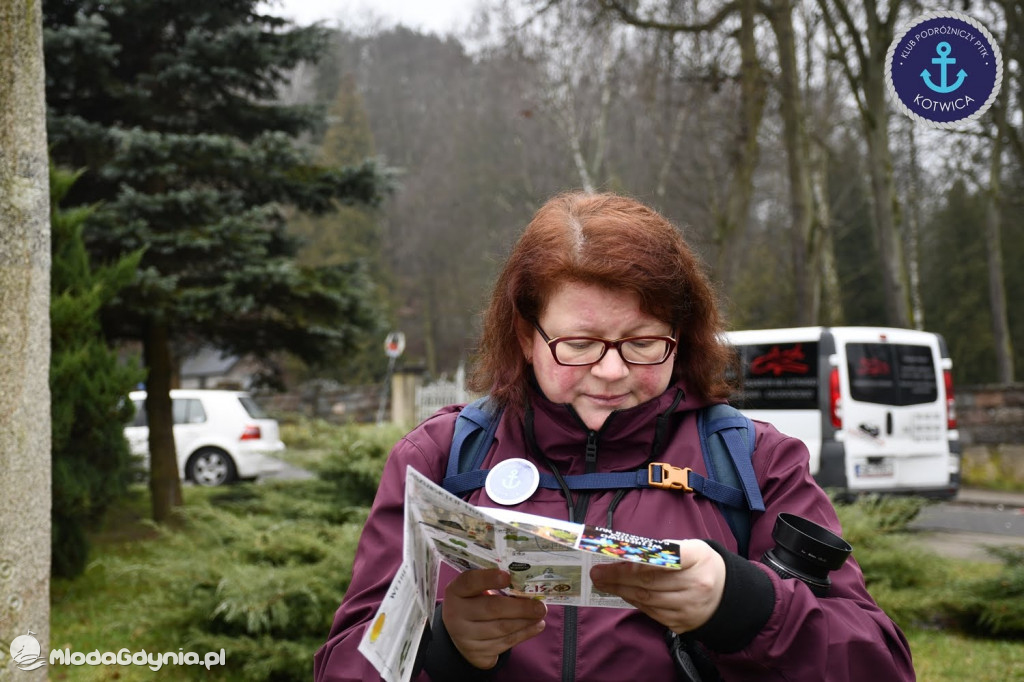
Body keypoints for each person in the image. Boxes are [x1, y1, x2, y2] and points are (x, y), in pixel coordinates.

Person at [314, 191, 915, 681]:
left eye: (643, 342)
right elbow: (345, 665)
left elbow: (880, 665)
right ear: (526, 336)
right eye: (578, 344)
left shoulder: (756, 462)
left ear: (682, 334)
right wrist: (442, 649)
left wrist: (745, 607)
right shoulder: (439, 459)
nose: (611, 371)